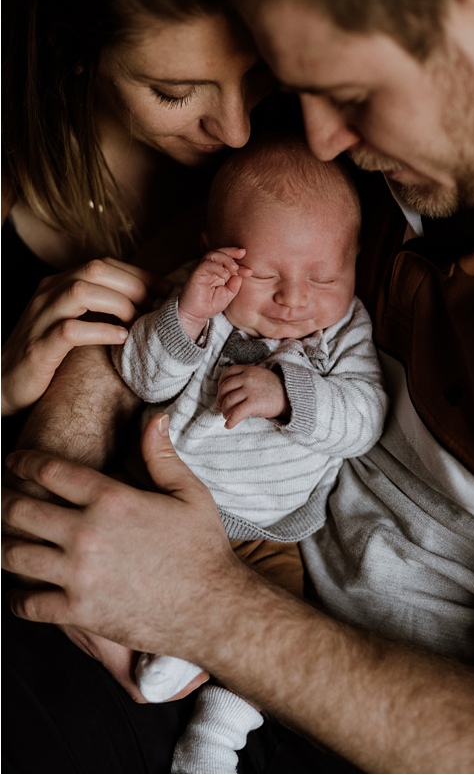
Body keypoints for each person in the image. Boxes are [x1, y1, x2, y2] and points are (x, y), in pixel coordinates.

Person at [2, 0, 474, 772]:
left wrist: (198, 604)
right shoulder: (344, 167)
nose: (306, 134)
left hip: (302, 612)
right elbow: (137, 325)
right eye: (181, 91)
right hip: (165, 535)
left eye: (351, 96)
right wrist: (59, 450)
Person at [112, 135, 385, 772]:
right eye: (264, 276)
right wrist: (185, 319)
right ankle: (169, 644)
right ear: (215, 252)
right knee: (137, 559)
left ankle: (217, 733)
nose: (293, 300)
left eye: (324, 277)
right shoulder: (199, 303)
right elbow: (143, 379)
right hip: (169, 502)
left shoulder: (344, 332)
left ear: (355, 263)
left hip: (271, 533)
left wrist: (290, 395)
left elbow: (365, 420)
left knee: (280, 626)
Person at [1, 0, 273, 425]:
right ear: (70, 49)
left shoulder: (299, 153)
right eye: (175, 92)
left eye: (257, 72)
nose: (236, 130)